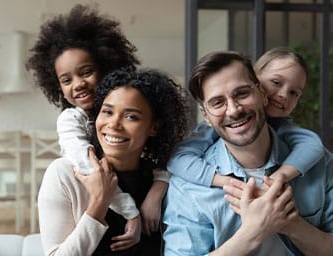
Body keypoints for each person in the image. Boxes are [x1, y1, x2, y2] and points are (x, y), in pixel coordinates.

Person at [163, 51, 333, 255]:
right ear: (206, 116)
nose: (234, 110)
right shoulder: (187, 186)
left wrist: (290, 223)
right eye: (218, 102)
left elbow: (312, 144)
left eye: (242, 93)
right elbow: (177, 159)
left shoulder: (317, 162)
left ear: (262, 94)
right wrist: (254, 232)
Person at [26, 4, 170, 238]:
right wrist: (130, 212)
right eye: (66, 80)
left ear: (106, 68)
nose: (78, 84)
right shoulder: (71, 120)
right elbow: (92, 170)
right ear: (58, 88)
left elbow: (172, 152)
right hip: (104, 202)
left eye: (85, 72)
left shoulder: (138, 109)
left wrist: (157, 189)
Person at [38, 67, 187, 255]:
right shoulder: (64, 174)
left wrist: (159, 190)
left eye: (131, 117)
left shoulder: (164, 182)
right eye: (107, 112)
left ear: (154, 127)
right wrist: (99, 204)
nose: (114, 124)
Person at [167, 47, 324, 188]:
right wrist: (224, 181)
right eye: (276, 82)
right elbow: (178, 158)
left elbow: (313, 146)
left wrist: (279, 177)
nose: (283, 95)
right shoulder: (215, 126)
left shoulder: (285, 127)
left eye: (294, 93)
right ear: (256, 82)